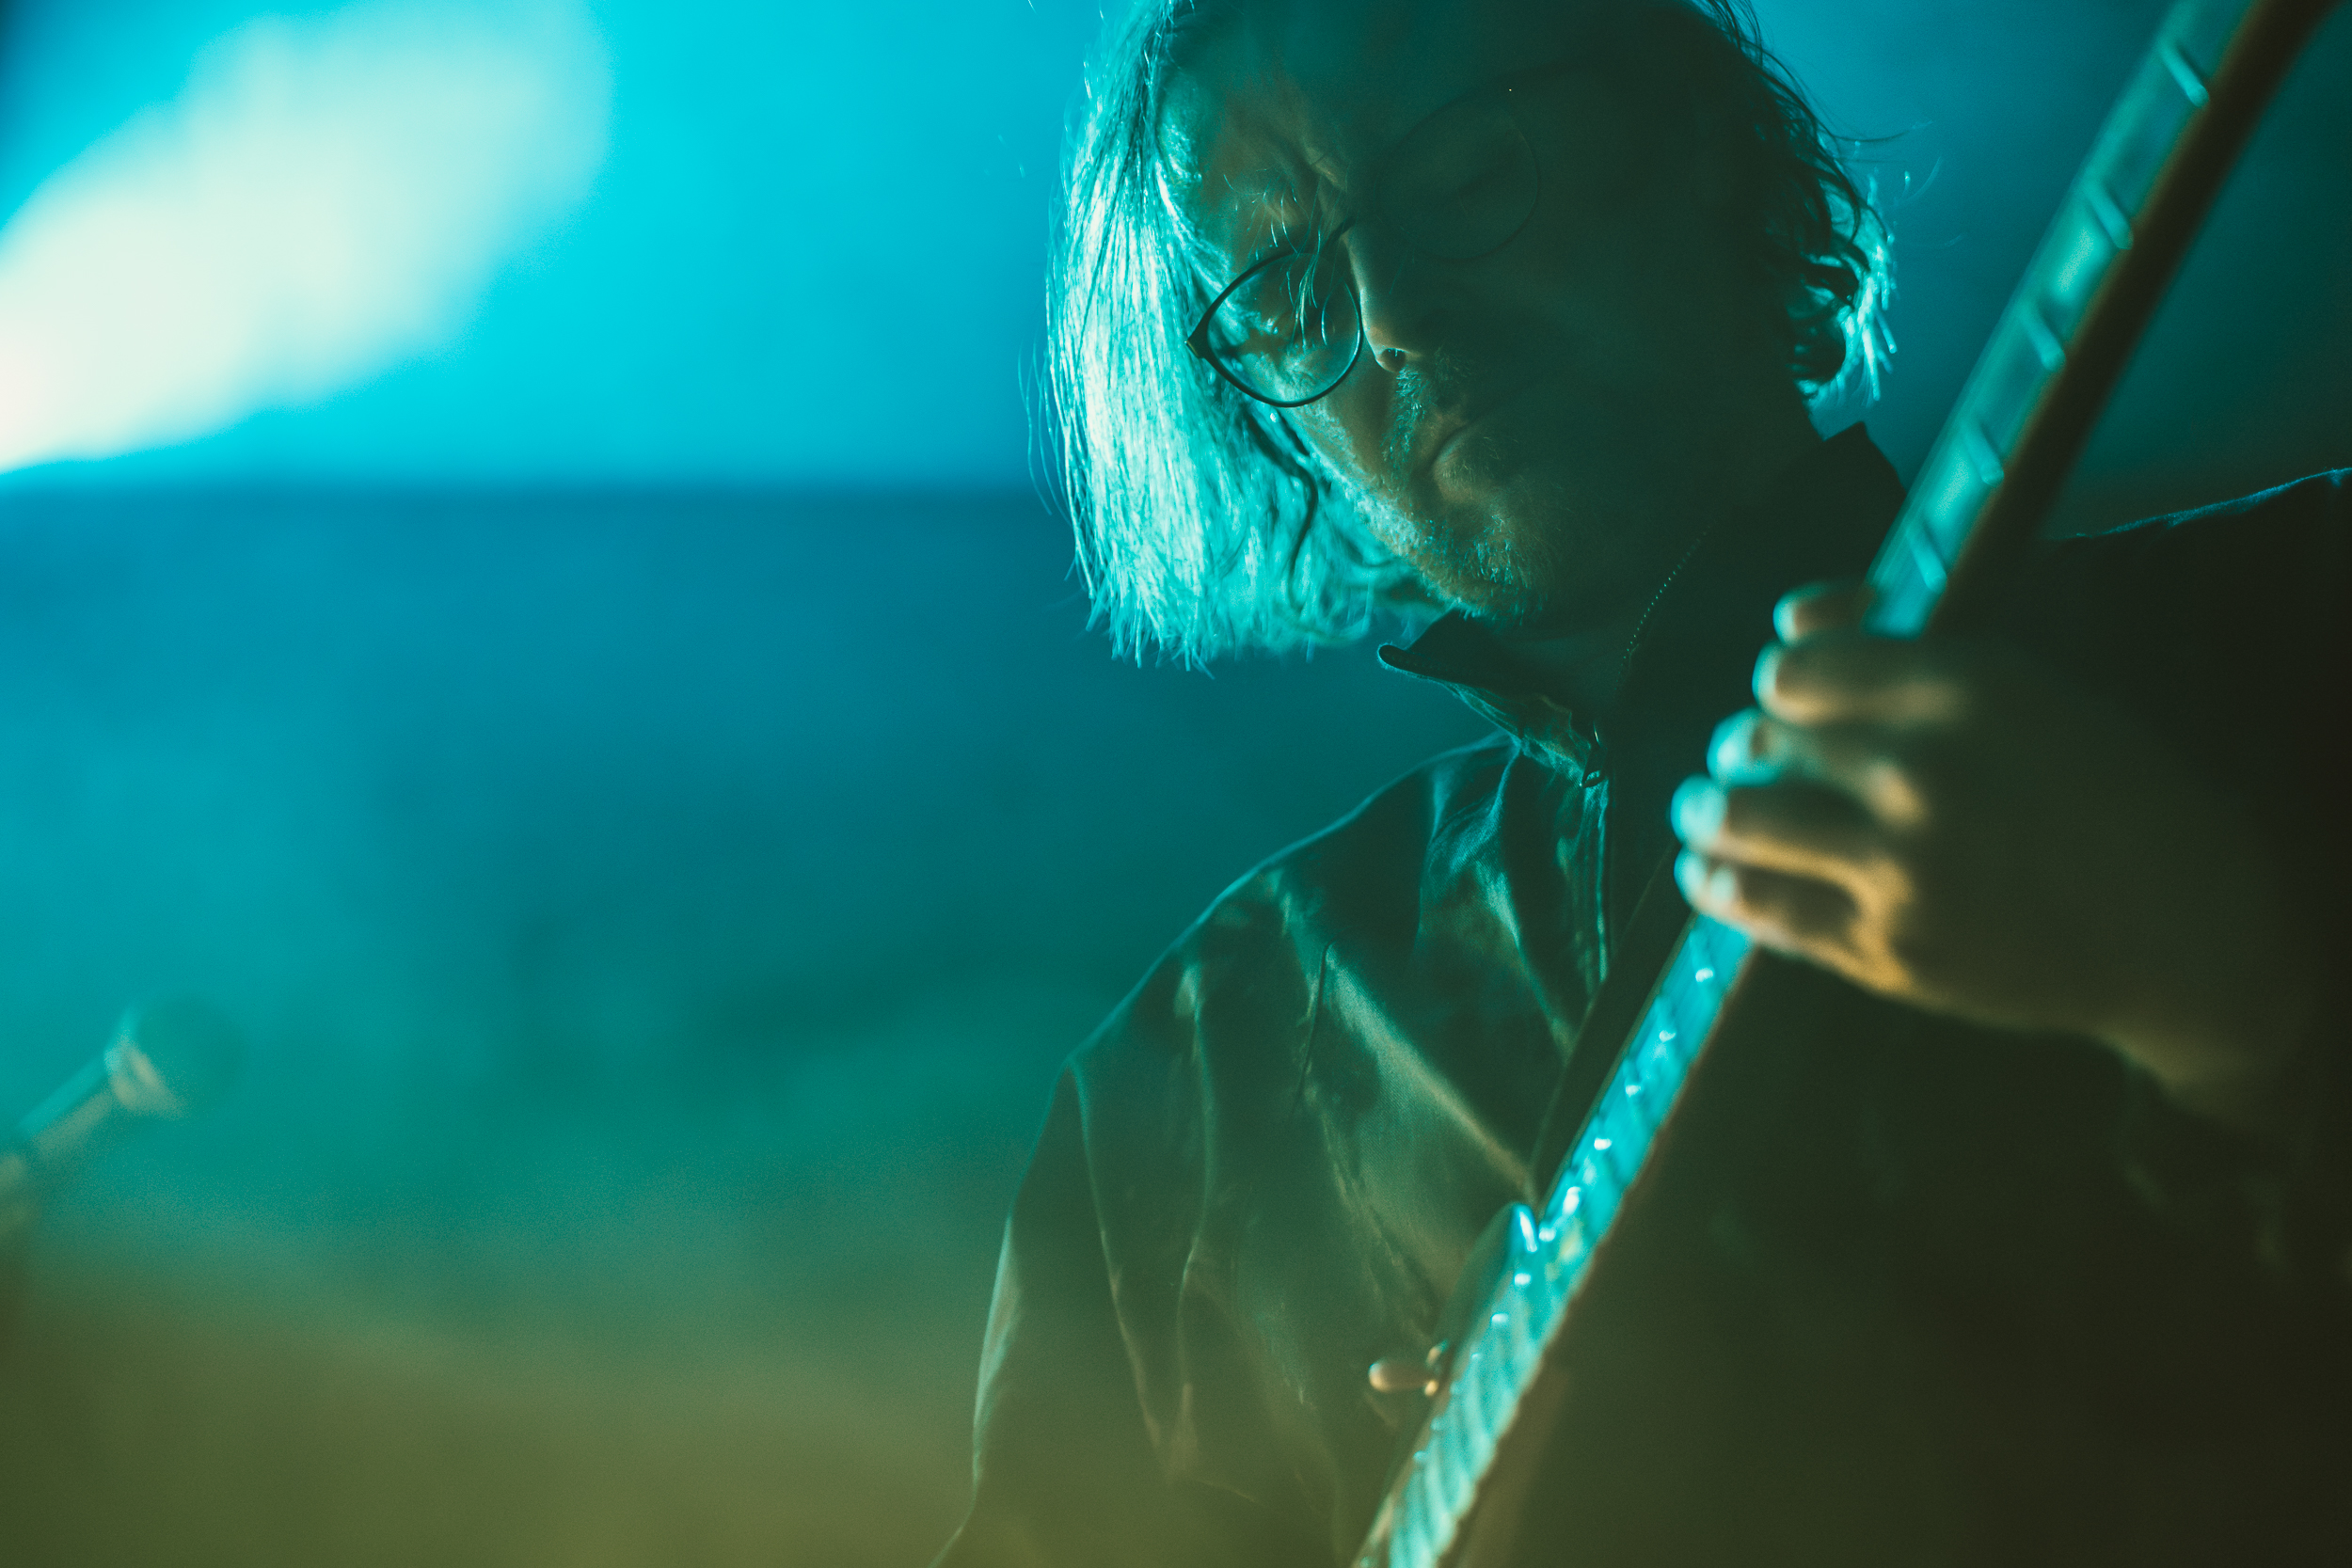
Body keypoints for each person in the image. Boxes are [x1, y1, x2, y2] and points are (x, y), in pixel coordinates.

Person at [936, 0, 2351, 1563]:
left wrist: (2246, 996)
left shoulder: (2308, 623)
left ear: (1715, 158)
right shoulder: (1196, 1075)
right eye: (1282, 290)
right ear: (1285, 443)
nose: (1393, 314)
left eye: (1470, 175)